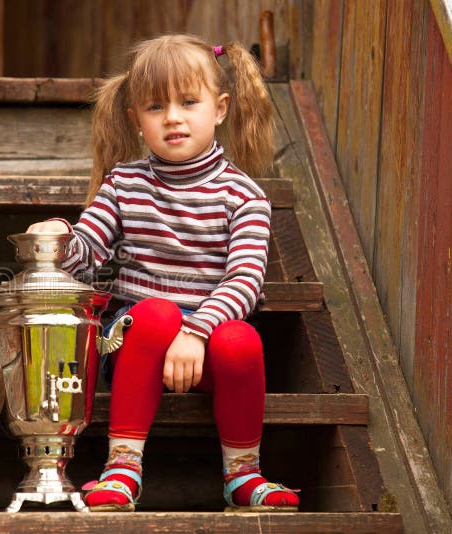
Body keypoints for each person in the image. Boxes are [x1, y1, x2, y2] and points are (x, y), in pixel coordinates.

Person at [26, 34, 299, 512]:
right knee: (153, 315)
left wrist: (196, 332)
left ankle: (243, 474)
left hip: (205, 342)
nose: (173, 116)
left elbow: (244, 282)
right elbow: (85, 259)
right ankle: (123, 467)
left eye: (188, 102)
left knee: (242, 340)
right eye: (156, 107)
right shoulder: (124, 185)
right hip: (138, 344)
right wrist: (59, 237)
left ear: (219, 108)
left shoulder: (245, 197)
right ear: (136, 120)